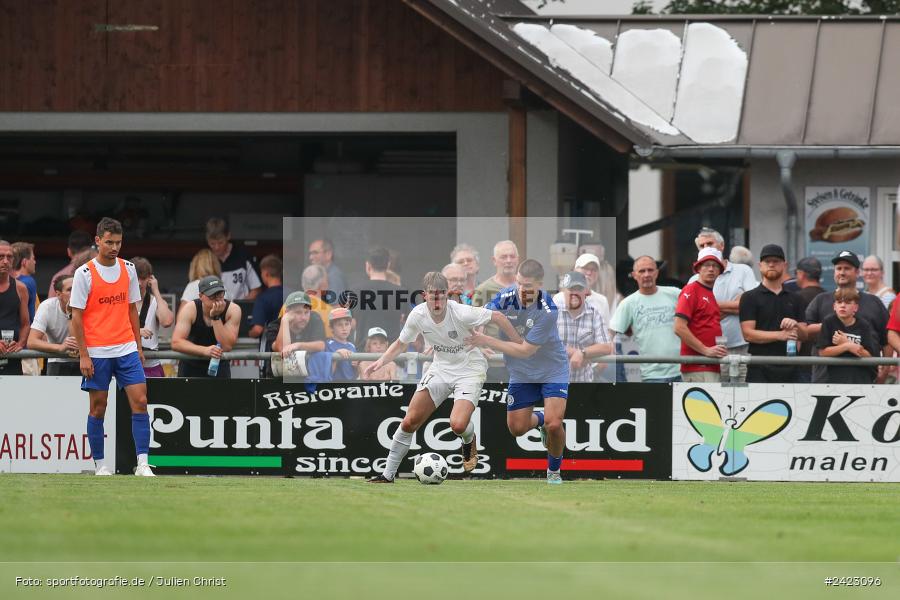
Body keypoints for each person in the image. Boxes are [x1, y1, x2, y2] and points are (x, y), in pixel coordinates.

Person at [365, 271, 520, 482]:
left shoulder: (461, 312)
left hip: (469, 368)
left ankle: (468, 438)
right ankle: (388, 474)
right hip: (440, 368)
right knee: (410, 421)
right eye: (432, 295)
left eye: (441, 295)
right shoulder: (418, 315)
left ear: (447, 294)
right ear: (424, 295)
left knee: (457, 425)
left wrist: (519, 345)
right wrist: (380, 361)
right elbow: (401, 343)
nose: (437, 300)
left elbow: (499, 317)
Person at [466, 259, 570, 485]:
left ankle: (553, 471)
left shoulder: (548, 309)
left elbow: (525, 350)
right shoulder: (506, 295)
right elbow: (482, 316)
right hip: (522, 372)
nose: (523, 290)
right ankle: (541, 419)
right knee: (517, 428)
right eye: (520, 284)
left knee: (555, 424)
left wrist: (487, 340)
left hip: (551, 369)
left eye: (529, 286)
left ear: (540, 284)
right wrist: (479, 333)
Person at [68, 218, 153, 476]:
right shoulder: (84, 273)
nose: (114, 247)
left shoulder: (128, 269)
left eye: (118, 242)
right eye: (109, 242)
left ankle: (143, 464)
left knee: (140, 401)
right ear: (97, 241)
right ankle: (100, 465)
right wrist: (84, 354)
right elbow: (77, 317)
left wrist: (138, 346)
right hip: (97, 351)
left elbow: (132, 311)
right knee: (98, 407)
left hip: (126, 348)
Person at [805, 250, 889, 383]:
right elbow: (805, 332)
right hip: (825, 379)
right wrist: (829, 326)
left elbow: (886, 339)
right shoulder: (820, 300)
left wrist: (885, 369)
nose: (842, 272)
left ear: (857, 272)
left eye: (847, 268)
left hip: (864, 378)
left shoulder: (874, 302)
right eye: (838, 268)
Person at [689, 228, 758, 381]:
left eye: (710, 243)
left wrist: (711, 306)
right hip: (709, 349)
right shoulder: (693, 281)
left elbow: (752, 306)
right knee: (717, 397)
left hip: (741, 346)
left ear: (721, 246)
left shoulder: (743, 271)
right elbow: (694, 315)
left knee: (742, 395)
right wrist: (735, 303)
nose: (706, 248)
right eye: (702, 246)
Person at [738, 245, 806, 383]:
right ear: (760, 265)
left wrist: (796, 326)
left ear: (784, 265)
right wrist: (780, 335)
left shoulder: (796, 298)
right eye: (767, 261)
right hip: (759, 368)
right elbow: (748, 334)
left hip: (791, 368)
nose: (771, 264)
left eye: (776, 261)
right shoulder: (749, 297)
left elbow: (805, 335)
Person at [609, 255, 682, 383]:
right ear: (634, 275)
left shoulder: (675, 293)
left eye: (650, 270)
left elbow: (697, 316)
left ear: (657, 273)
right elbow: (610, 333)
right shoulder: (628, 303)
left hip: (681, 371)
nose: (646, 274)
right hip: (651, 375)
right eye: (642, 271)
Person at [674, 248, 728, 383]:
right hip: (698, 366)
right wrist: (705, 350)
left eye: (715, 265)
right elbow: (679, 327)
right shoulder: (691, 289)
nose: (711, 269)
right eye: (706, 265)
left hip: (709, 365)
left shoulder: (709, 293)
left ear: (720, 271)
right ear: (698, 268)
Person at [171, 275, 241, 378]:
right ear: (201, 296)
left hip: (219, 366)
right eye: (212, 295)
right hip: (191, 365)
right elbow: (176, 342)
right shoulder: (190, 308)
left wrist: (216, 317)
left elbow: (226, 346)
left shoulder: (233, 310)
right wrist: (204, 351)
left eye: (220, 294)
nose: (217, 299)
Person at [555, 271, 611, 383]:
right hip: (553, 383)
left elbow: (606, 347)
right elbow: (545, 343)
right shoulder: (552, 311)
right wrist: (574, 353)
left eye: (579, 289)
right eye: (571, 289)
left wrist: (582, 353)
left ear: (586, 292)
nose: (575, 293)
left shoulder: (594, 313)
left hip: (583, 382)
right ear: (563, 291)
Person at [818, 287, 880, 384]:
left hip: (861, 379)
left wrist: (847, 342)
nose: (842, 306)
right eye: (839, 302)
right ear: (834, 306)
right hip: (835, 379)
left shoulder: (864, 325)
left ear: (855, 307)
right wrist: (847, 346)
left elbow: (869, 356)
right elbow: (823, 352)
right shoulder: (828, 322)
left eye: (847, 302)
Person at [350, 246, 403, 345]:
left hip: (363, 355)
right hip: (392, 355)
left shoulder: (355, 292)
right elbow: (405, 321)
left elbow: (351, 323)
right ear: (388, 265)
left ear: (368, 266)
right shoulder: (400, 293)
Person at [132, 257, 174, 378]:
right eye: (136, 279)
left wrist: (155, 290)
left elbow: (166, 321)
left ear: (150, 279)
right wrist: (137, 331)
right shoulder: (119, 301)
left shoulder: (156, 301)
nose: (139, 283)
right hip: (126, 365)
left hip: (151, 366)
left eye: (143, 278)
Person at [28, 276, 80, 375]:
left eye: (77, 288)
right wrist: (60, 348)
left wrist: (70, 313)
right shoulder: (47, 307)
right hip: (57, 361)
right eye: (70, 290)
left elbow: (76, 341)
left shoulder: (88, 304)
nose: (75, 292)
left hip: (85, 360)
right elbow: (32, 342)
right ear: (58, 294)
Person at [205, 217, 262, 300]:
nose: (217, 247)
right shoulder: (205, 261)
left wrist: (239, 307)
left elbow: (256, 289)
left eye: (220, 242)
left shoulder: (243, 256)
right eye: (212, 244)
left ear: (228, 236)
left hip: (240, 309)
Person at [791, 257, 825, 382]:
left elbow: (793, 333)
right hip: (824, 361)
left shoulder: (796, 298)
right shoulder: (828, 298)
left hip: (802, 362)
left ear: (802, 274)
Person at [0, 239, 31, 375]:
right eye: (1, 257)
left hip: (10, 355)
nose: (5, 261)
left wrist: (20, 344)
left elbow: (25, 324)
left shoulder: (20, 288)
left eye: (9, 257)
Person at [272, 291, 326, 357]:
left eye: (306, 312)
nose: (303, 317)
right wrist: (285, 321)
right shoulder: (275, 326)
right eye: (298, 312)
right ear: (287, 312)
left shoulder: (314, 318)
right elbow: (283, 349)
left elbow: (321, 345)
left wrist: (298, 345)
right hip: (282, 367)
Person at [473, 240, 519, 309]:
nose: (509, 260)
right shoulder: (483, 290)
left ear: (518, 259)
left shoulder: (527, 286)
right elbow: (475, 317)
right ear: (494, 260)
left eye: (512, 256)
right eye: (504, 257)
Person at [249, 255, 285, 340]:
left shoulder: (263, 298)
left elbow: (258, 330)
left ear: (266, 274)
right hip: (293, 344)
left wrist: (249, 333)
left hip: (272, 347)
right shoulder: (292, 294)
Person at [47, 230, 92, 299]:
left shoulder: (58, 278)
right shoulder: (102, 272)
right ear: (91, 250)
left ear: (69, 251)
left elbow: (51, 305)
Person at [299, 264, 333, 338]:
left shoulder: (287, 306)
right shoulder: (328, 311)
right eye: (327, 281)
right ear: (323, 284)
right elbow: (330, 343)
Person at [326, 307, 356, 381]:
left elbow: (355, 374)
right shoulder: (327, 345)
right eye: (339, 325)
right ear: (331, 328)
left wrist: (356, 366)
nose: (344, 328)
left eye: (347, 324)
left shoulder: (352, 346)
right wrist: (336, 356)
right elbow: (326, 374)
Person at [11, 241, 38, 321]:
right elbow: (32, 316)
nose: (35, 262)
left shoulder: (7, 282)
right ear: (24, 262)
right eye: (33, 258)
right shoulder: (28, 282)